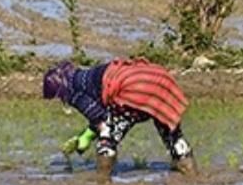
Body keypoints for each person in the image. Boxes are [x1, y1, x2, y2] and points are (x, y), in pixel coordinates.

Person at [43, 57, 196, 176]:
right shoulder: (89, 75)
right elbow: (104, 112)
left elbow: (99, 118)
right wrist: (87, 134)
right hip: (157, 77)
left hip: (133, 87)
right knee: (174, 137)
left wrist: (89, 137)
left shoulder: (72, 92)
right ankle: (190, 175)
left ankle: (103, 182)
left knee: (107, 141)